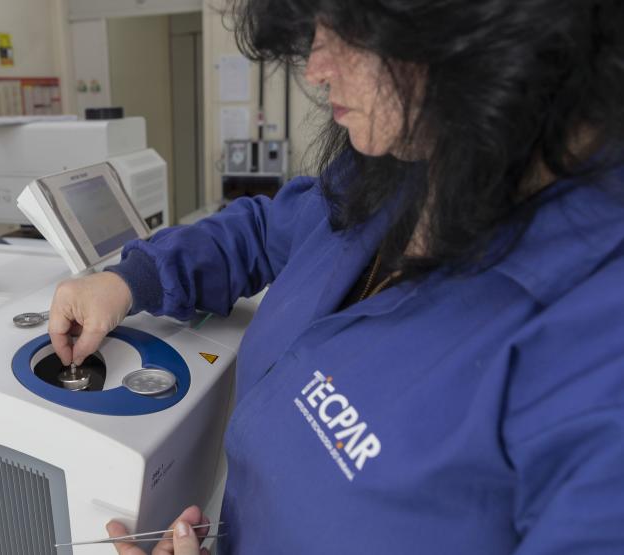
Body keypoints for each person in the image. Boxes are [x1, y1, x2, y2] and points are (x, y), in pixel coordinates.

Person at [49, 0, 624, 553]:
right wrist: (132, 280)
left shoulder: (596, 344)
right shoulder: (403, 165)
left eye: (349, 30)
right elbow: (261, 230)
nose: (316, 70)